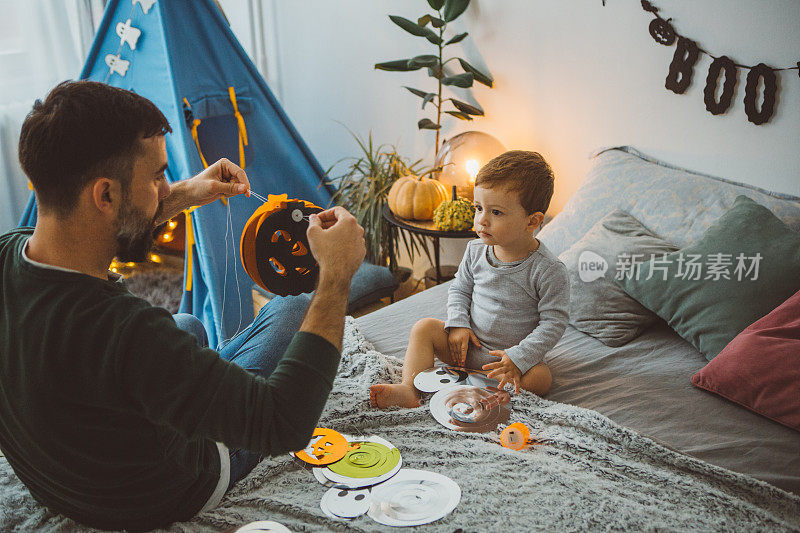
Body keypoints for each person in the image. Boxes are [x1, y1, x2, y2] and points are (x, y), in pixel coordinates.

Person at [0, 80, 365, 530]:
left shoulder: (8, 253)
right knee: (293, 312)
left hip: (66, 479)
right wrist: (336, 277)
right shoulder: (130, 332)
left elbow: (98, 231)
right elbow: (283, 422)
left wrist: (188, 193)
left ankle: (200, 384)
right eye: (157, 176)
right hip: (166, 492)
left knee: (187, 323)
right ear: (106, 195)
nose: (165, 185)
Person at [370, 150, 569, 409]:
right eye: (478, 208)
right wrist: (458, 325)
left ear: (533, 221)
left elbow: (554, 323)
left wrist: (518, 358)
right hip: (464, 348)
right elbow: (460, 290)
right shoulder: (475, 251)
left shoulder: (548, 269)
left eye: (496, 212)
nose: (481, 220)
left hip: (507, 363)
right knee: (424, 328)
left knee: (542, 377)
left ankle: (486, 388)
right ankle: (410, 390)